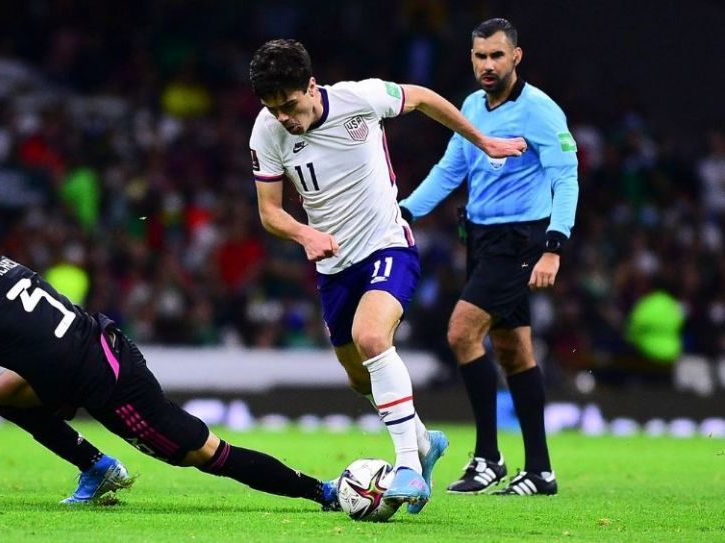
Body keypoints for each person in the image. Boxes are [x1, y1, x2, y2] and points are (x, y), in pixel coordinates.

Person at [247, 39, 527, 513]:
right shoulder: (266, 132)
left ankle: (409, 470)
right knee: (361, 379)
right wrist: (303, 235)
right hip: (333, 266)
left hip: (386, 244)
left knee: (372, 338)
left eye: (290, 105)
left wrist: (482, 141)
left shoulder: (361, 99)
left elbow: (422, 98)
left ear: (311, 86)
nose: (284, 117)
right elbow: (270, 213)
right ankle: (422, 441)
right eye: (273, 109)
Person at [0, 222, 338, 510]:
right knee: (0, 392)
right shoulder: (0, 265)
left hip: (111, 382)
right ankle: (97, 467)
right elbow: (16, 325)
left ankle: (322, 491)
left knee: (202, 454)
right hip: (91, 349)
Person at [399, 18, 579, 496]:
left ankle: (488, 457)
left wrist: (553, 246)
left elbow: (566, 177)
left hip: (522, 241)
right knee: (514, 351)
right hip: (480, 241)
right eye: (480, 56)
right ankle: (540, 471)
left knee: (461, 332)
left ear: (516, 57)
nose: (487, 64)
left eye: (497, 55)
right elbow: (448, 170)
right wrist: (405, 212)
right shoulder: (472, 107)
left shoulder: (540, 111)